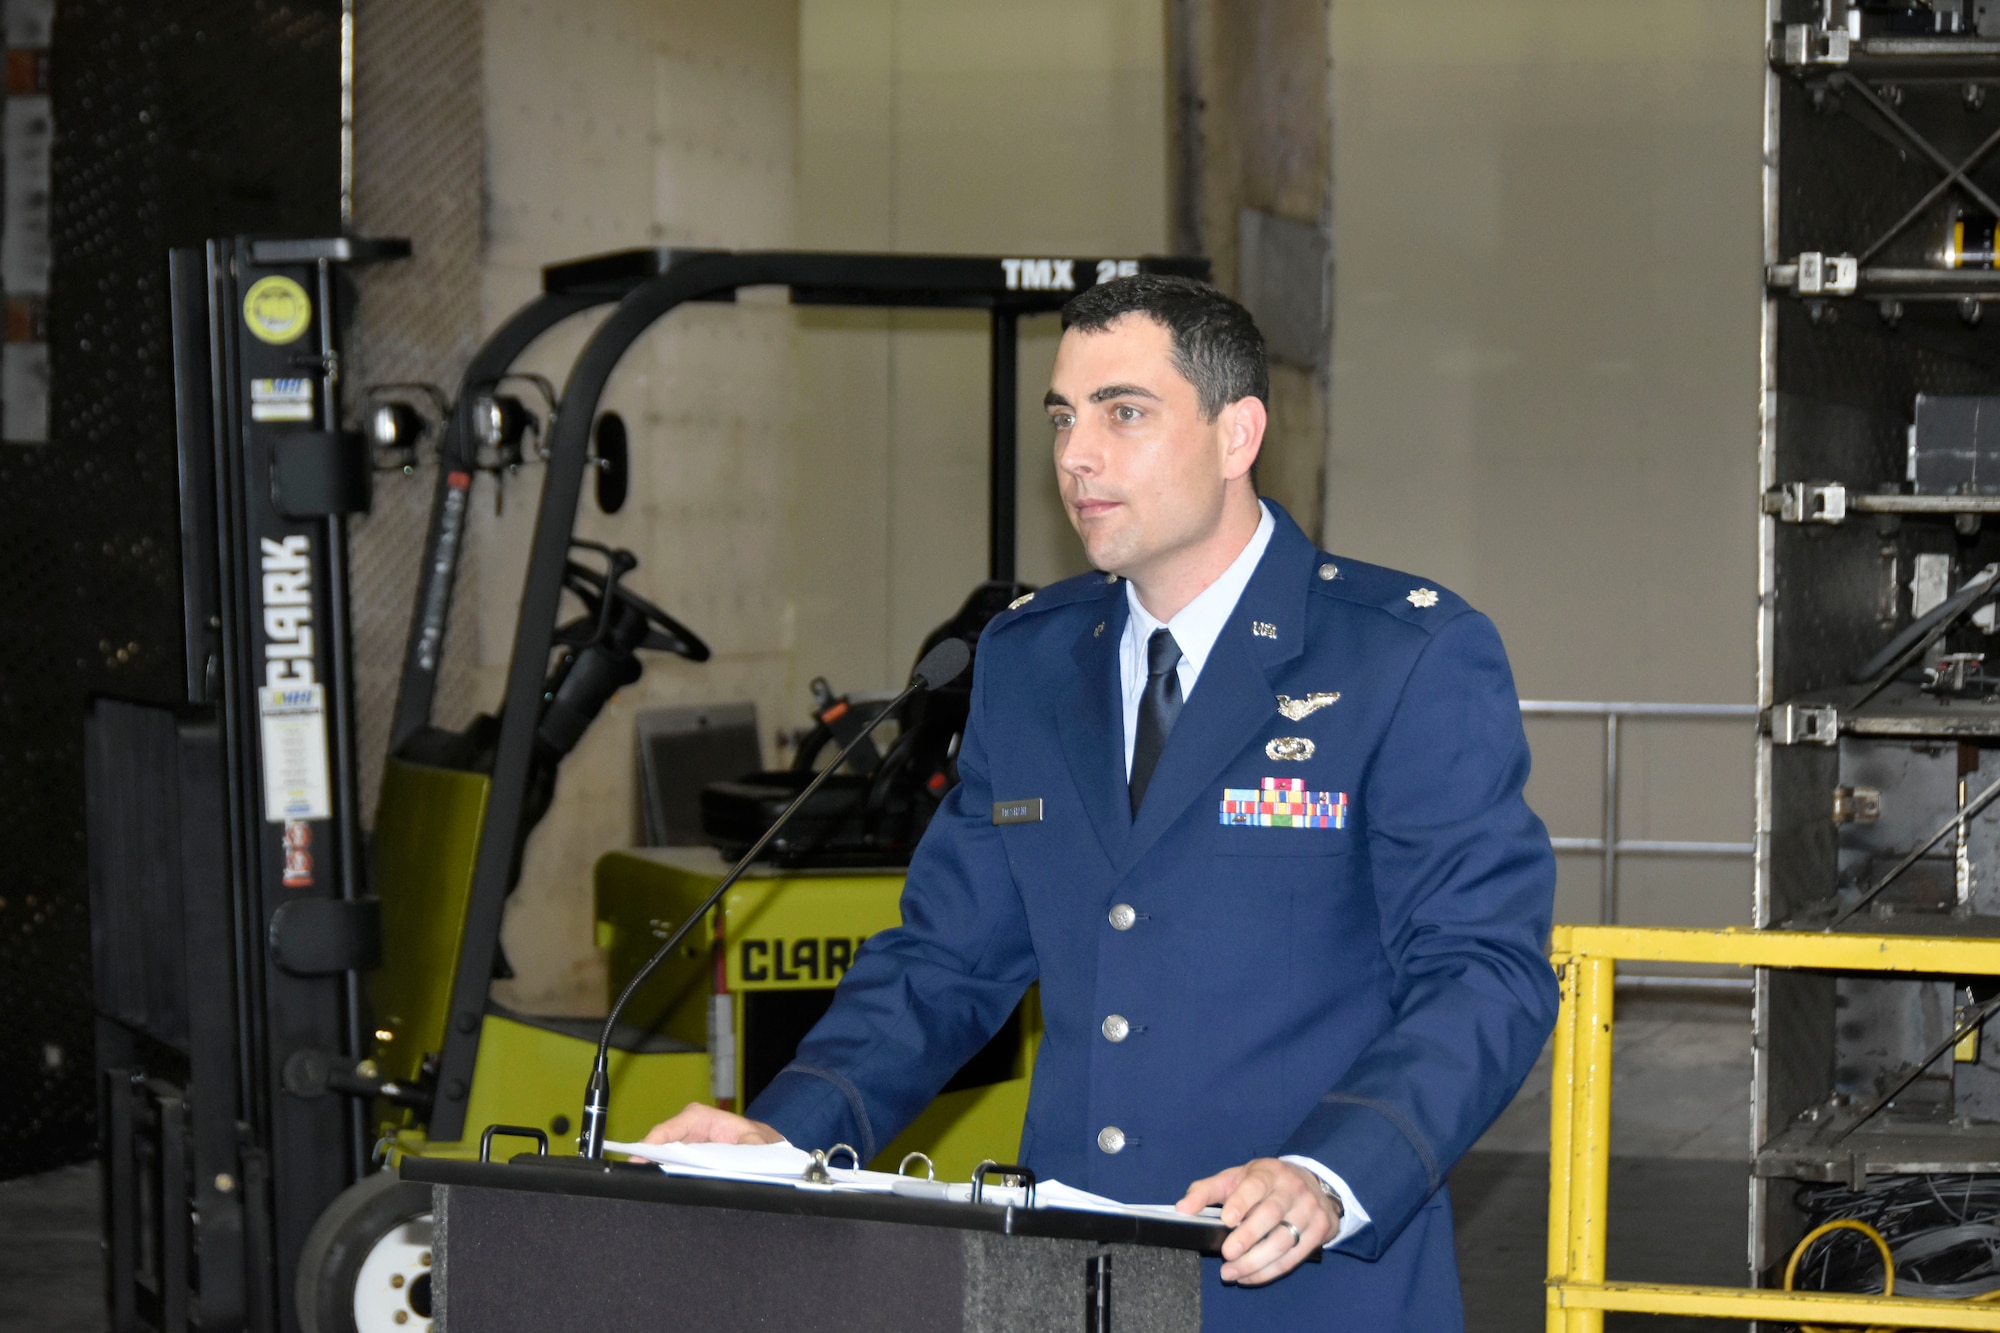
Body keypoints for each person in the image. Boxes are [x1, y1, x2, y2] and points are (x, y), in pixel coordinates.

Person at [643, 274, 1558, 1330]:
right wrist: (792, 1134)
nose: (1076, 454)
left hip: (1296, 1282)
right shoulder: (1029, 662)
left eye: (1123, 413)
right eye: (1062, 418)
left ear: (1235, 433)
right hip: (1066, 1286)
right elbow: (946, 961)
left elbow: (1482, 971)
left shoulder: (1401, 655)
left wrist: (1331, 1171)